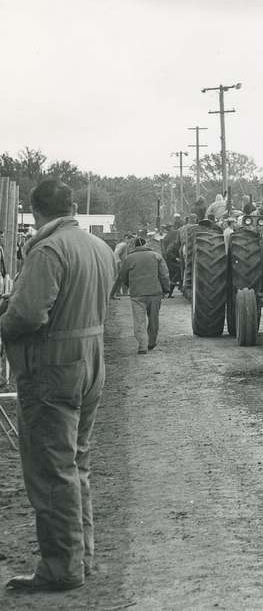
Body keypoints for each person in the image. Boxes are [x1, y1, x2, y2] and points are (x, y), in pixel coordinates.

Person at [2, 180, 117, 593]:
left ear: (36, 212)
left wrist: (4, 319)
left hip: (53, 367)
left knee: (51, 469)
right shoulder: (98, 248)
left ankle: (61, 567)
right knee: (75, 463)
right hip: (91, 361)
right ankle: (81, 556)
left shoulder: (48, 249)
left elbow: (29, 315)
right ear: (71, 207)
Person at [119, 236, 171, 354]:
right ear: (146, 245)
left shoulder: (129, 258)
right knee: (154, 319)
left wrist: (130, 285)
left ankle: (142, 345)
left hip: (137, 295)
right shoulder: (156, 256)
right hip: (155, 293)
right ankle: (151, 342)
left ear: (135, 246)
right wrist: (166, 289)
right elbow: (164, 274)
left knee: (139, 321)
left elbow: (123, 275)